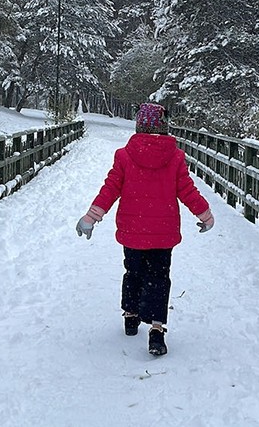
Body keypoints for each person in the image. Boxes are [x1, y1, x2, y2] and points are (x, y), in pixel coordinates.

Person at [76, 103, 215, 356]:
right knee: (159, 278)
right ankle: (157, 330)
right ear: (164, 126)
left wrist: (91, 217)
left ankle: (131, 315)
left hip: (133, 230)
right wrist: (204, 214)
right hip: (163, 232)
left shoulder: (124, 156)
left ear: (139, 125)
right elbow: (187, 191)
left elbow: (110, 189)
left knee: (133, 272)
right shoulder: (175, 157)